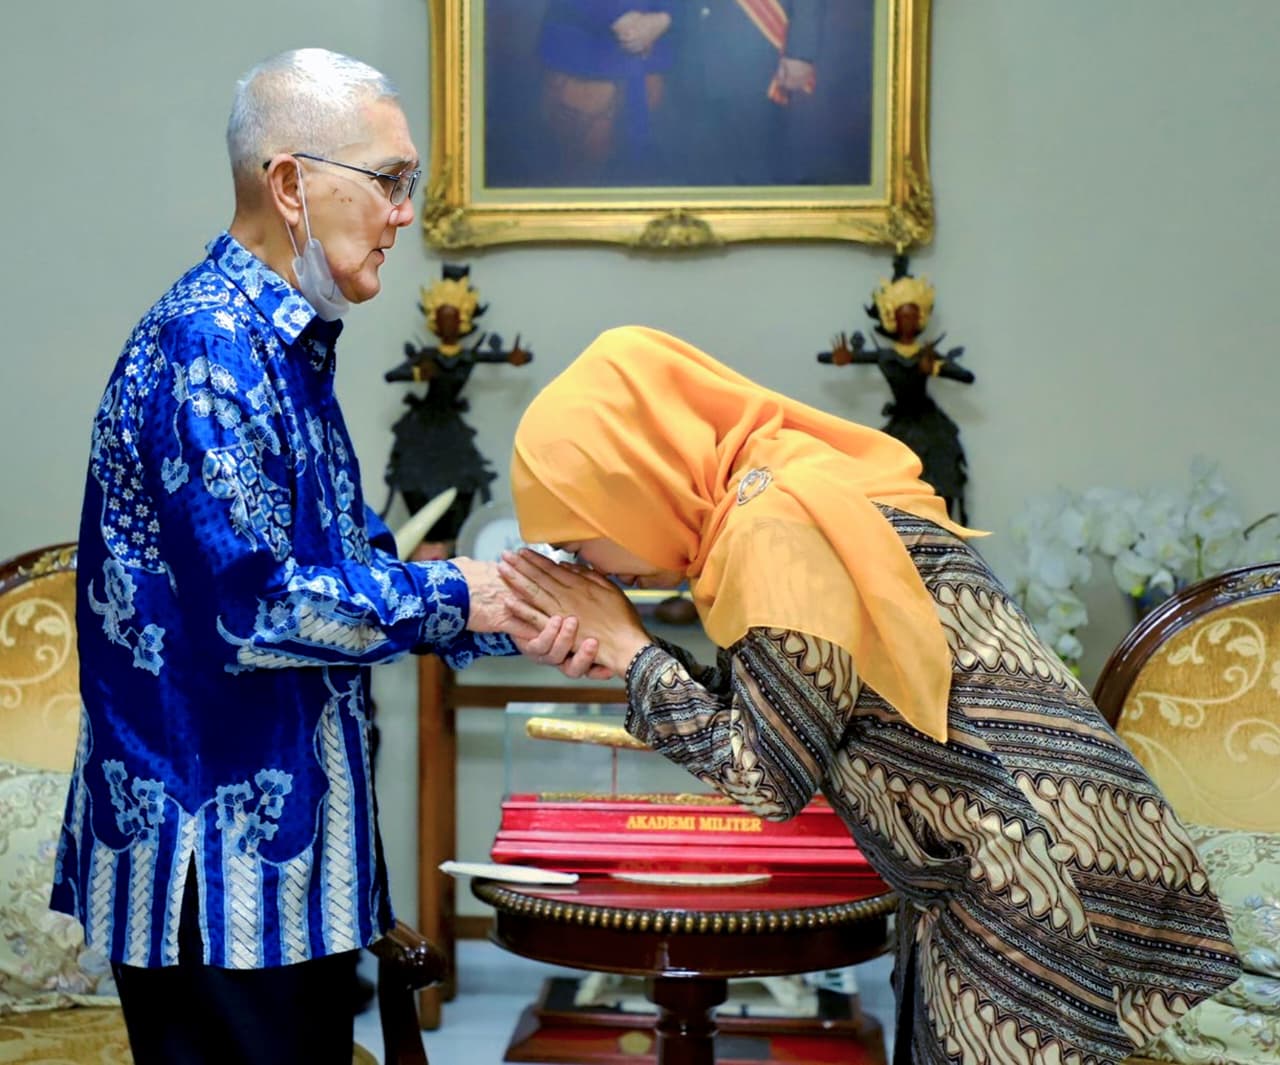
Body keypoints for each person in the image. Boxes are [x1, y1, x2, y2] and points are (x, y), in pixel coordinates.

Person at [50, 48, 595, 1065]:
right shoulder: (208, 347)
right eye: (388, 180)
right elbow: (256, 607)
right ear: (291, 185)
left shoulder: (281, 347)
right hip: (212, 872)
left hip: (284, 870)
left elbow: (356, 569)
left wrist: (521, 602)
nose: (405, 214)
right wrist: (464, 596)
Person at [498, 326, 1241, 1065]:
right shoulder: (780, 492)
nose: (588, 567)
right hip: (1025, 852)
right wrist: (629, 655)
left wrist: (633, 656)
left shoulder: (773, 528)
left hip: (1028, 877)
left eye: (580, 539)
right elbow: (792, 706)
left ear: (630, 482)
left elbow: (768, 777)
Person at [535, 1, 675, 184]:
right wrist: (620, 17)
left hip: (651, 62)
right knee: (576, 176)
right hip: (582, 64)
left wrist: (663, 18)